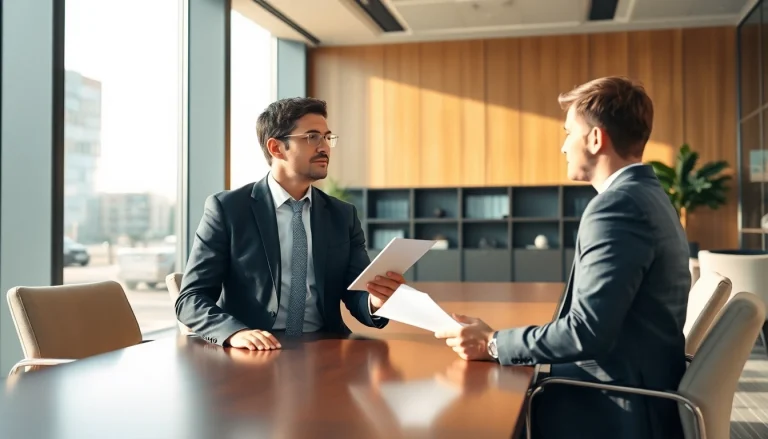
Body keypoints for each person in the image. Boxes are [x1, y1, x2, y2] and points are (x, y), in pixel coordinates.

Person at [435, 77, 691, 439]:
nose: (563, 146)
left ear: (596, 139)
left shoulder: (617, 207)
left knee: (474, 415)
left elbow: (586, 332)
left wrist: (491, 343)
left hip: (618, 406)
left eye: (569, 132)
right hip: (640, 388)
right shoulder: (650, 195)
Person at [175, 97, 405, 350]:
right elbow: (190, 299)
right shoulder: (228, 209)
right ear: (276, 148)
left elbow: (355, 294)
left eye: (327, 137)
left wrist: (375, 301)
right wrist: (234, 333)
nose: (325, 147)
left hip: (326, 348)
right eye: (312, 137)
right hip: (255, 351)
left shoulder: (342, 215)